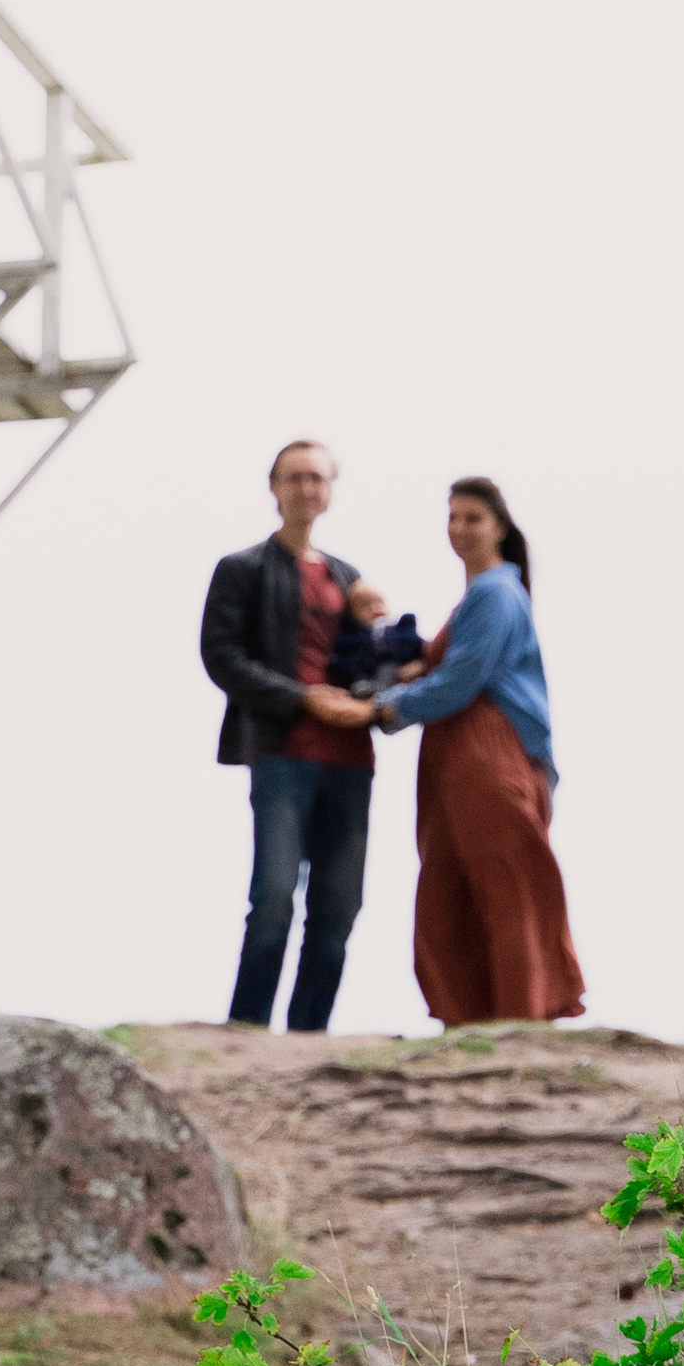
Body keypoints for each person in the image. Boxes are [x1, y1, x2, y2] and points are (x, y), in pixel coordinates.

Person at [372, 475, 585, 1028]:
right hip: (455, 753)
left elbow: (462, 681)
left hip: (486, 751)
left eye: (473, 518)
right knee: (449, 889)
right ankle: (469, 1022)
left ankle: (520, 1019)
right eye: (453, 517)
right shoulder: (480, 595)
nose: (459, 529)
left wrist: (384, 709)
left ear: (499, 527)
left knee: (503, 885)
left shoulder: (495, 592)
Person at [200, 438, 396, 1032]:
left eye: (317, 478)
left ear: (330, 491)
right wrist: (301, 697)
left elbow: (367, 663)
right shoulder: (241, 569)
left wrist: (376, 675)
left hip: (351, 760)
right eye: (295, 477)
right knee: (274, 898)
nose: (307, 489)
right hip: (281, 753)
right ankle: (248, 1031)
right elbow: (221, 655)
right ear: (273, 486)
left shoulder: (348, 577)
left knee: (338, 906)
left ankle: (309, 1038)